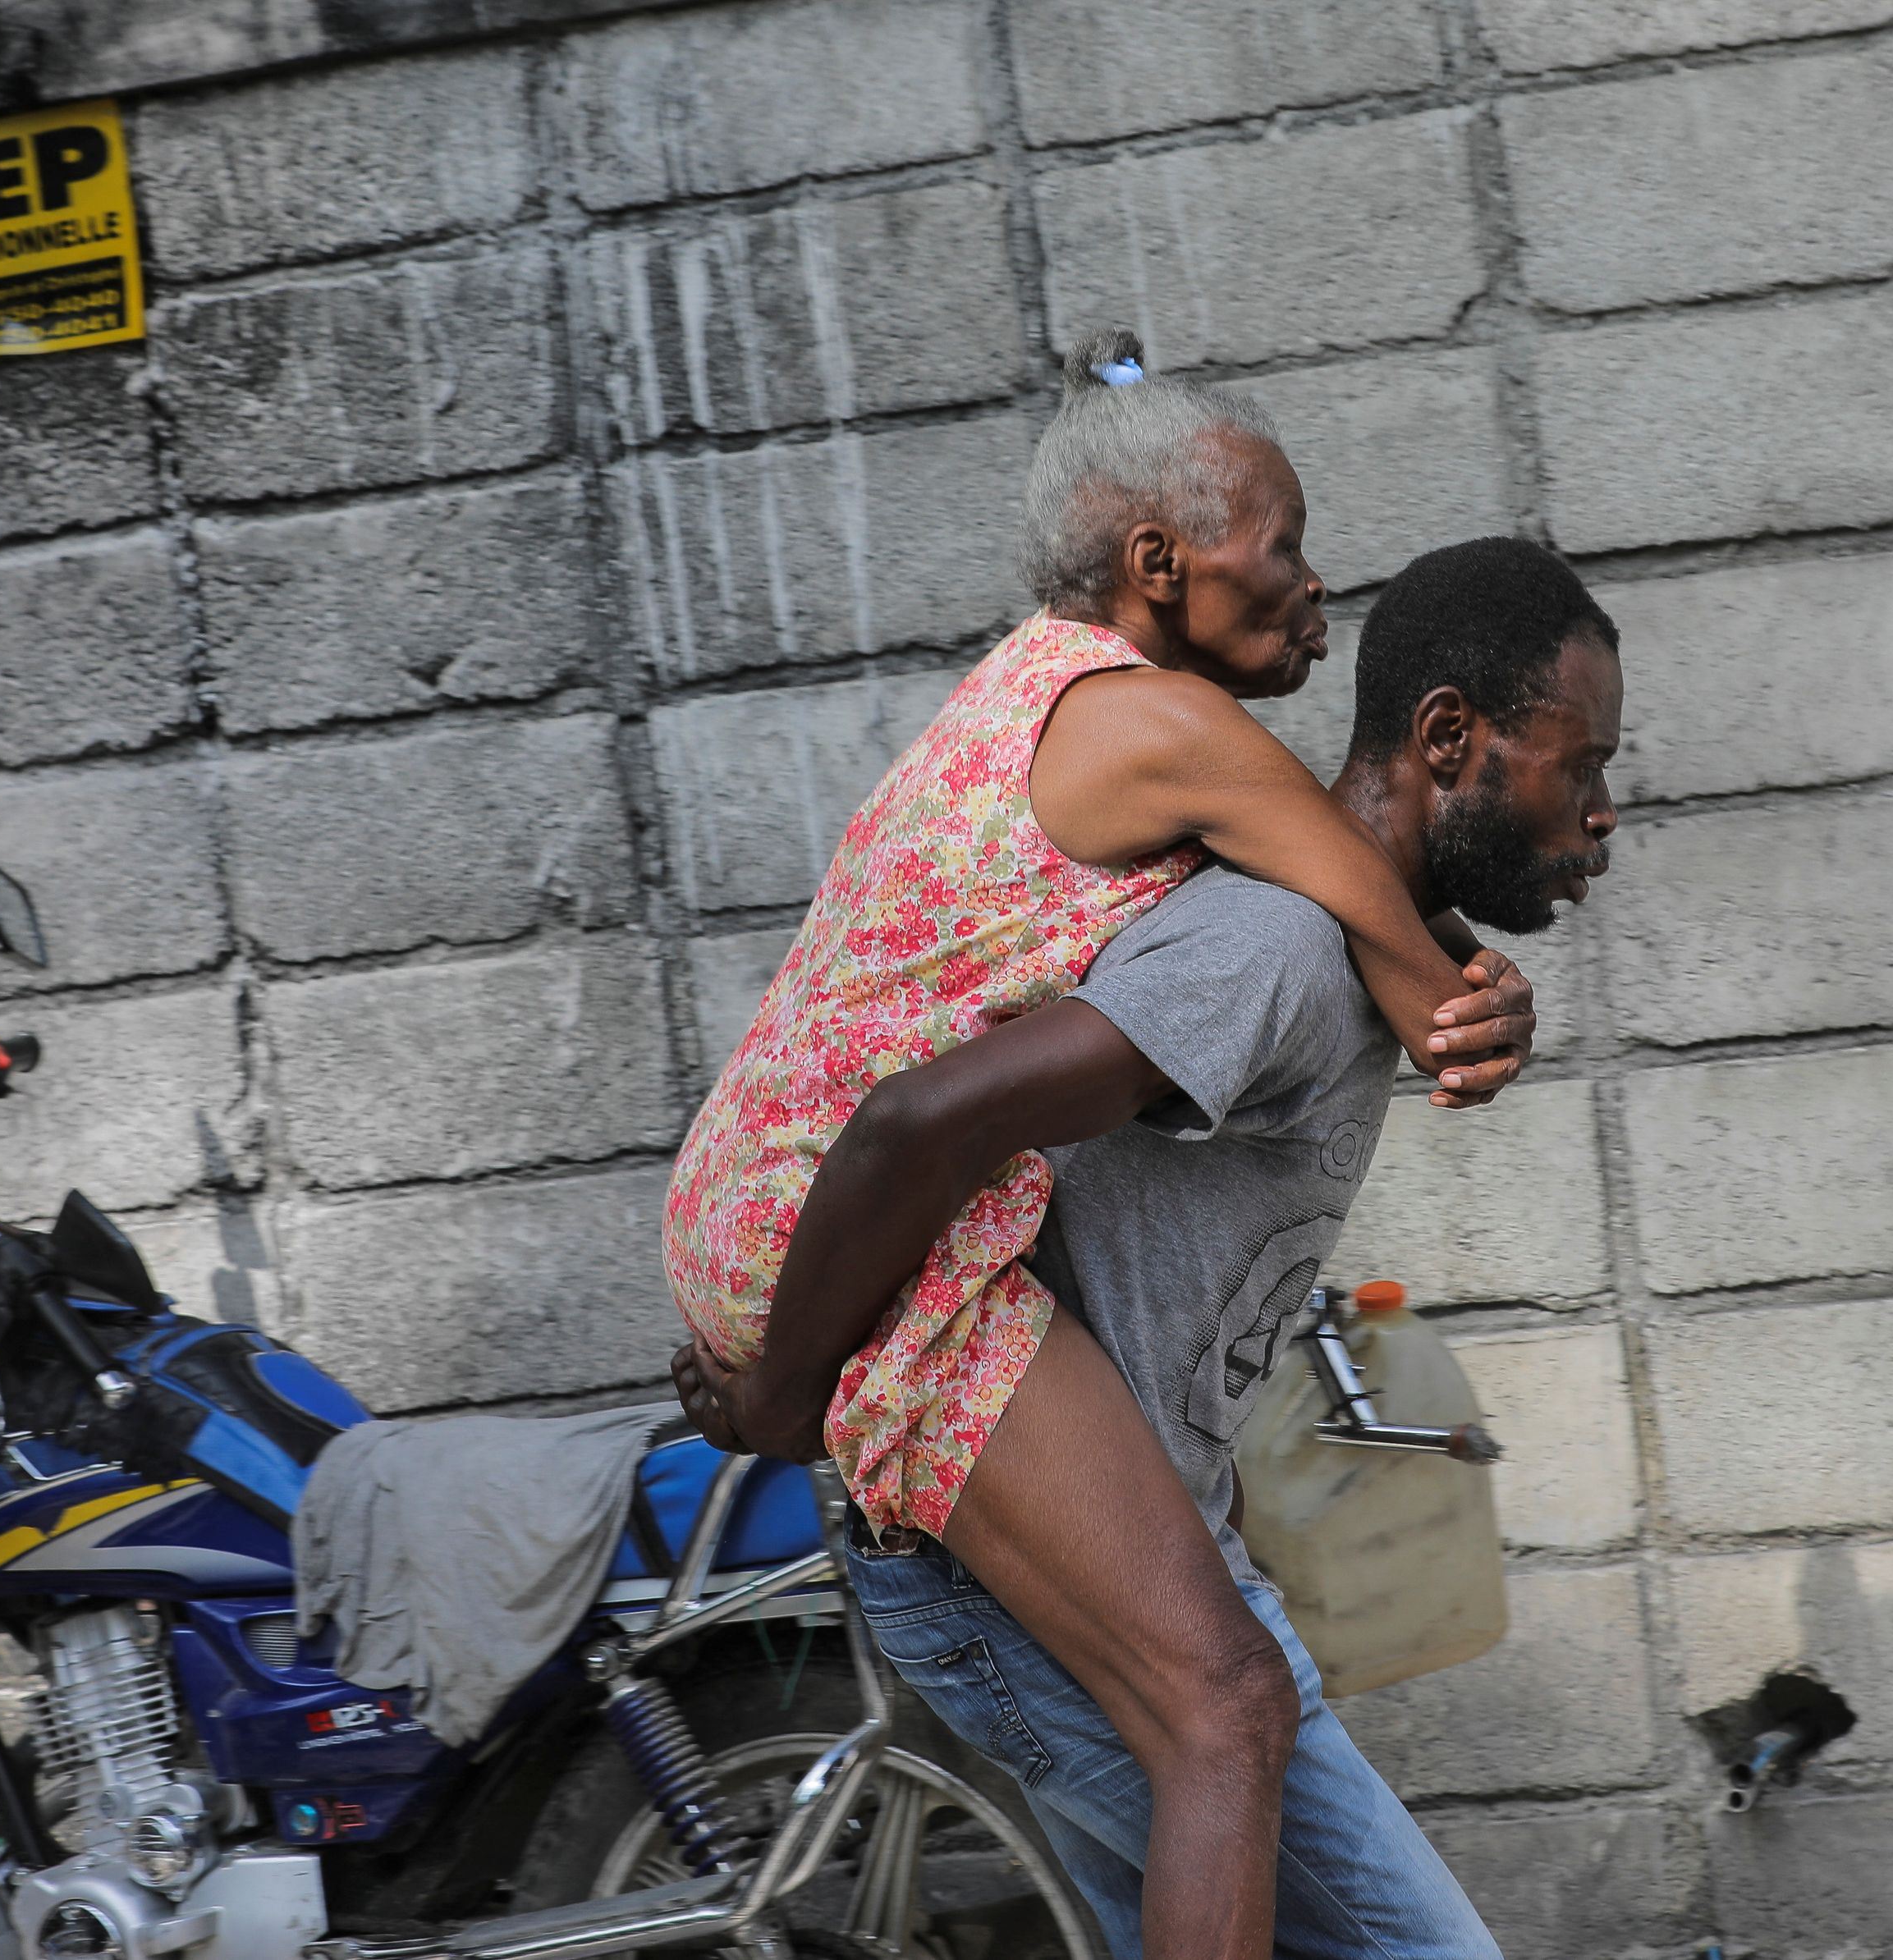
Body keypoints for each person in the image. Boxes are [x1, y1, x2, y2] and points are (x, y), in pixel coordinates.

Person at [663, 335, 1536, 1960]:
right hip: (848, 1217)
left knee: (1213, 1724)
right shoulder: (1165, 726)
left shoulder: (1020, 691)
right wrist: (791, 1395)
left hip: (761, 1191)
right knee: (1221, 1707)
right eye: (1277, 547)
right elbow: (1370, 924)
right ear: (1161, 564)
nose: (1309, 579)